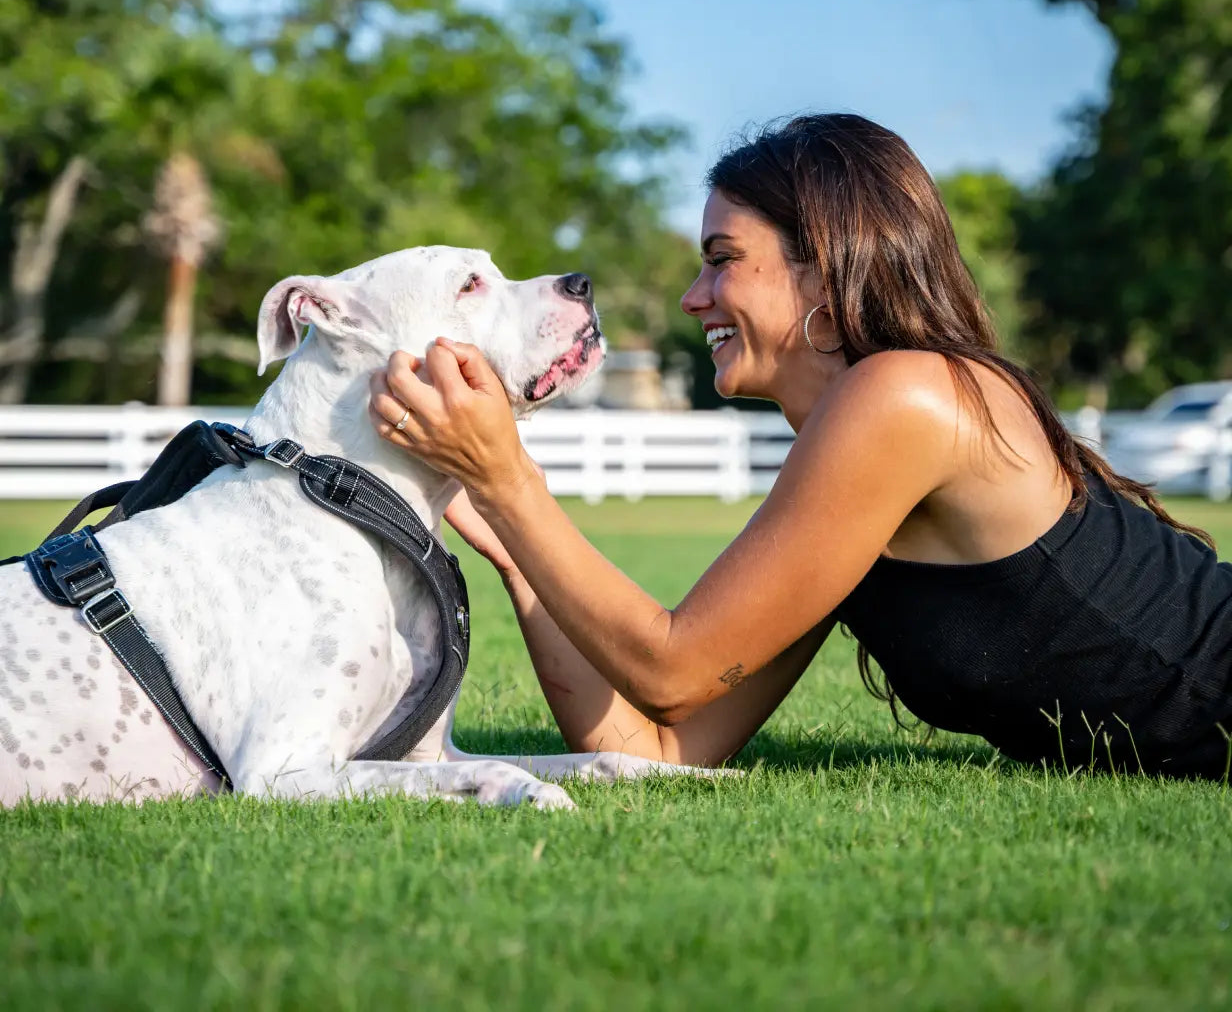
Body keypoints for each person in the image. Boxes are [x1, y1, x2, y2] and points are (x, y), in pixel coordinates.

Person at [368, 113, 1232, 780]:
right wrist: (518, 558)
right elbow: (656, 748)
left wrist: (510, 481)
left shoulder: (906, 397)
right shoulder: (857, 442)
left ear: (823, 263)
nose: (692, 297)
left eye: (722, 259)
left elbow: (673, 671)